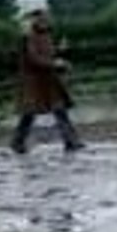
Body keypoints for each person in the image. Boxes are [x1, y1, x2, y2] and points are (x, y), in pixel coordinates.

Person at [11, 8, 85, 154]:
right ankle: (17, 142)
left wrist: (60, 52)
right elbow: (34, 59)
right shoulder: (29, 37)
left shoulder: (47, 35)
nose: (45, 21)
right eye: (41, 19)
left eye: (45, 18)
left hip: (49, 82)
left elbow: (48, 54)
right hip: (33, 83)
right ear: (35, 20)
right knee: (29, 114)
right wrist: (55, 64)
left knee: (60, 110)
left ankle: (71, 141)